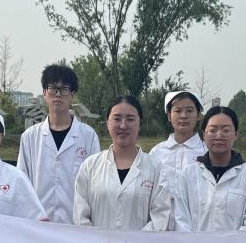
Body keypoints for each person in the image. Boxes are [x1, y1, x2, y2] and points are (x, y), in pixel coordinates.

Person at [73, 95, 172, 231]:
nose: (123, 125)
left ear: (140, 124)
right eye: (117, 119)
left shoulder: (155, 168)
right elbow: (80, 216)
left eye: (130, 119)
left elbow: (160, 216)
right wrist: (96, 241)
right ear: (108, 123)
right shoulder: (90, 166)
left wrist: (134, 242)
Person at [16, 64, 100, 223]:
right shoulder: (29, 137)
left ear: (72, 95)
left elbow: (95, 186)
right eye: (53, 88)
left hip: (77, 226)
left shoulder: (88, 136)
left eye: (64, 89)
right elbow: (21, 185)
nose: (58, 94)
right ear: (44, 92)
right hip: (39, 225)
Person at [174, 106, 246, 231]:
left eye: (226, 130)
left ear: (235, 134)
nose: (219, 136)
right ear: (204, 135)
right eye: (212, 130)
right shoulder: (187, 175)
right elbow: (181, 220)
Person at [149, 90, 207, 229]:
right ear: (169, 116)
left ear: (198, 115)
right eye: (178, 111)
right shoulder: (156, 153)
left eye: (189, 111)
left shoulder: (207, 152)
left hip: (198, 227)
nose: (183, 116)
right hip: (162, 228)